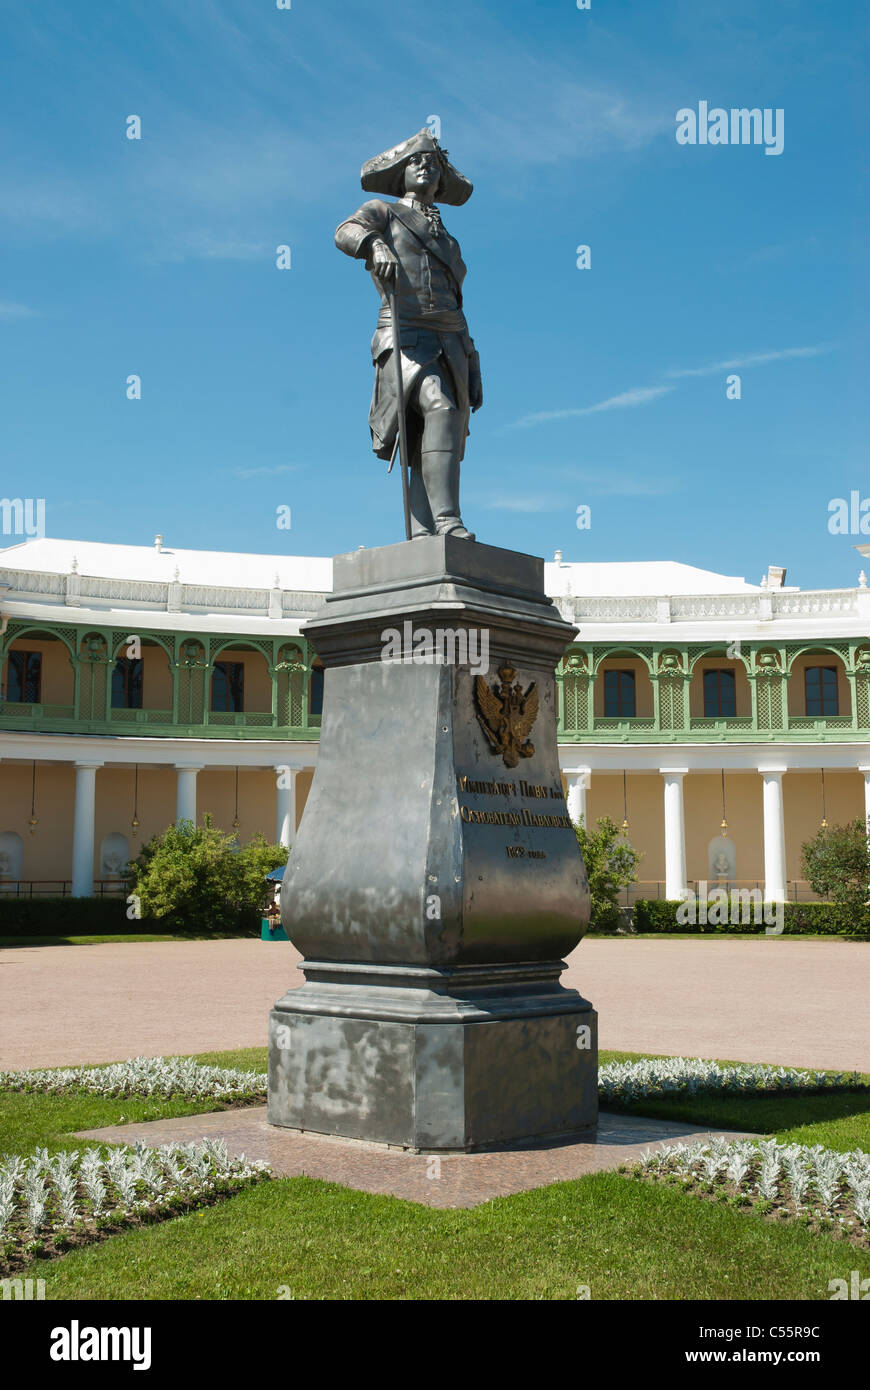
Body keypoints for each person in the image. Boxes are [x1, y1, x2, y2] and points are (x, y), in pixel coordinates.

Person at [335, 129, 482, 540]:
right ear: (401, 174)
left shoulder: (448, 239)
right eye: (416, 161)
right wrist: (374, 244)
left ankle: (422, 532)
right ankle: (449, 521)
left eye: (433, 164)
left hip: (451, 339)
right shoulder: (384, 211)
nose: (425, 167)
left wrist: (472, 360)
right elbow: (345, 231)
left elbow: (457, 302)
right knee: (439, 408)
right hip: (404, 333)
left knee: (432, 434)